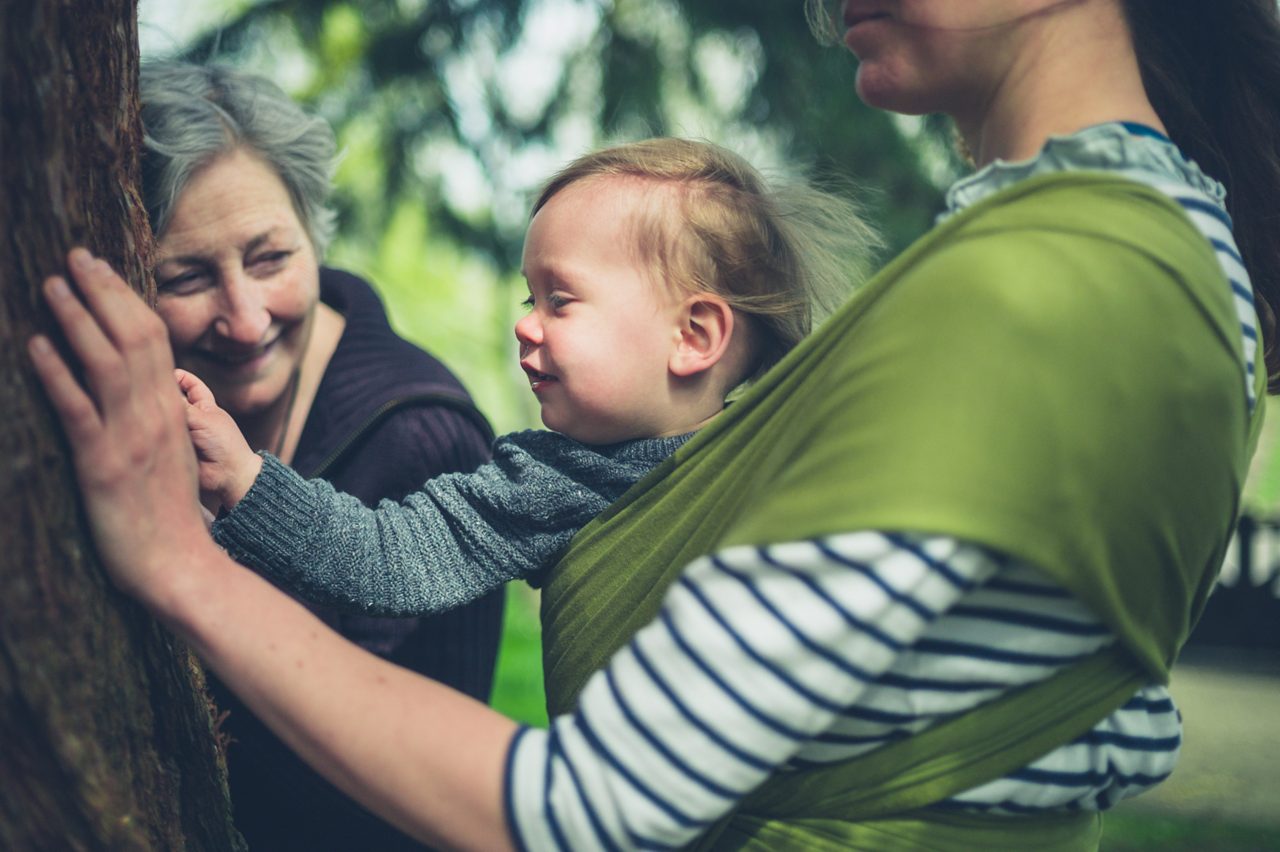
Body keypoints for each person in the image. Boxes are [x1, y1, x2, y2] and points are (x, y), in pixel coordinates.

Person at [28, 1, 1280, 849]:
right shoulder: (1184, 261)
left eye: (558, 298)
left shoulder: (1043, 285)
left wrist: (179, 563)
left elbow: (587, 814)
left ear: (701, 335)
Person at [176, 137, 874, 621]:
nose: (526, 326)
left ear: (692, 337)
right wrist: (246, 478)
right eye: (527, 299)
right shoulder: (547, 482)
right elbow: (384, 556)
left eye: (559, 301)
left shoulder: (801, 463)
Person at [135, 60, 503, 851]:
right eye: (187, 276)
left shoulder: (425, 441)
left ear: (314, 235)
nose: (244, 318)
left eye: (270, 259)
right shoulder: (140, 406)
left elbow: (425, 797)